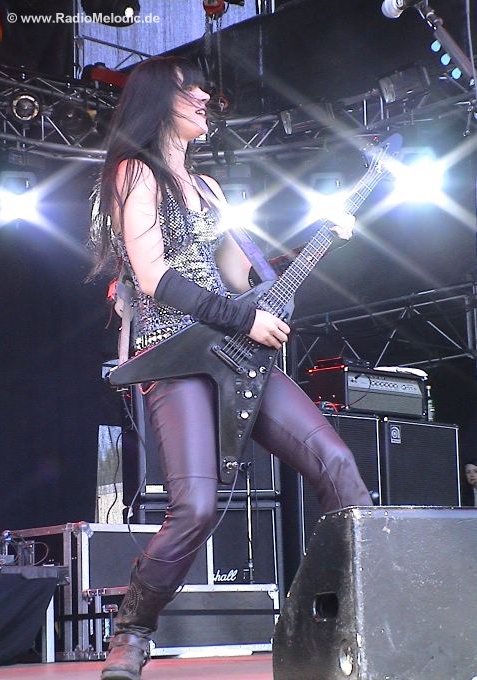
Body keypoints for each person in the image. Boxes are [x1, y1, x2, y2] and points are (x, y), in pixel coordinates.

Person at [90, 55, 372, 680]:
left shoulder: (211, 189)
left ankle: (360, 615)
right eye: (190, 91)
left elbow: (241, 279)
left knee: (338, 464)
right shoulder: (136, 173)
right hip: (176, 354)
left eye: (204, 91)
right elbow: (154, 277)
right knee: (195, 507)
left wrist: (320, 240)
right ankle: (133, 629)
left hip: (236, 353)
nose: (204, 100)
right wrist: (243, 320)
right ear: (159, 99)